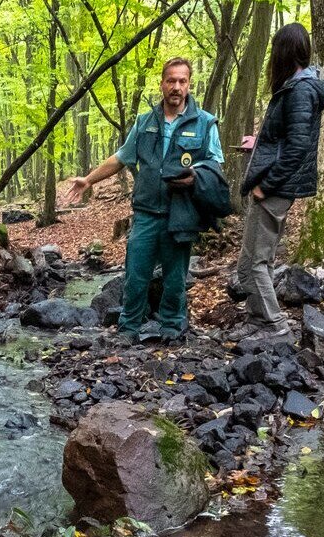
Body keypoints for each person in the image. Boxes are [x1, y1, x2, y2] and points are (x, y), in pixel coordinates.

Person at [64, 57, 231, 342]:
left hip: (180, 212)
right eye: (171, 81)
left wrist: (194, 178)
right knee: (136, 274)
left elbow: (215, 163)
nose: (176, 87)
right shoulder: (144, 122)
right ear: (161, 84)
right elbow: (120, 158)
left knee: (175, 277)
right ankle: (128, 329)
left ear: (189, 85)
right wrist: (89, 180)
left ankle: (172, 327)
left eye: (182, 81)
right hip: (145, 213)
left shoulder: (205, 123)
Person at [229, 23, 324, 334]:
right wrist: (260, 140)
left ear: (284, 52)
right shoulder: (298, 86)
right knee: (257, 260)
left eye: (275, 50)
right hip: (278, 185)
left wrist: (266, 184)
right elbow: (287, 137)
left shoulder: (300, 90)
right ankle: (257, 318)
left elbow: (298, 147)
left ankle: (274, 325)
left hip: (275, 188)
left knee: (256, 263)